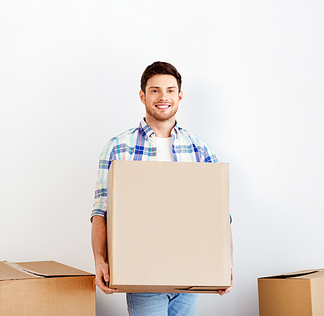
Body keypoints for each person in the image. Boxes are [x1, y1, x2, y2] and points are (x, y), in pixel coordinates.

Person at [91, 61, 235, 316]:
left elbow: (219, 214)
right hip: (142, 272)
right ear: (142, 96)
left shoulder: (199, 148)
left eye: (170, 90)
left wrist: (224, 265)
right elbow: (101, 210)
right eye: (155, 90)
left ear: (179, 96)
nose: (163, 97)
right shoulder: (118, 147)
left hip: (191, 272)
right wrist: (100, 261)